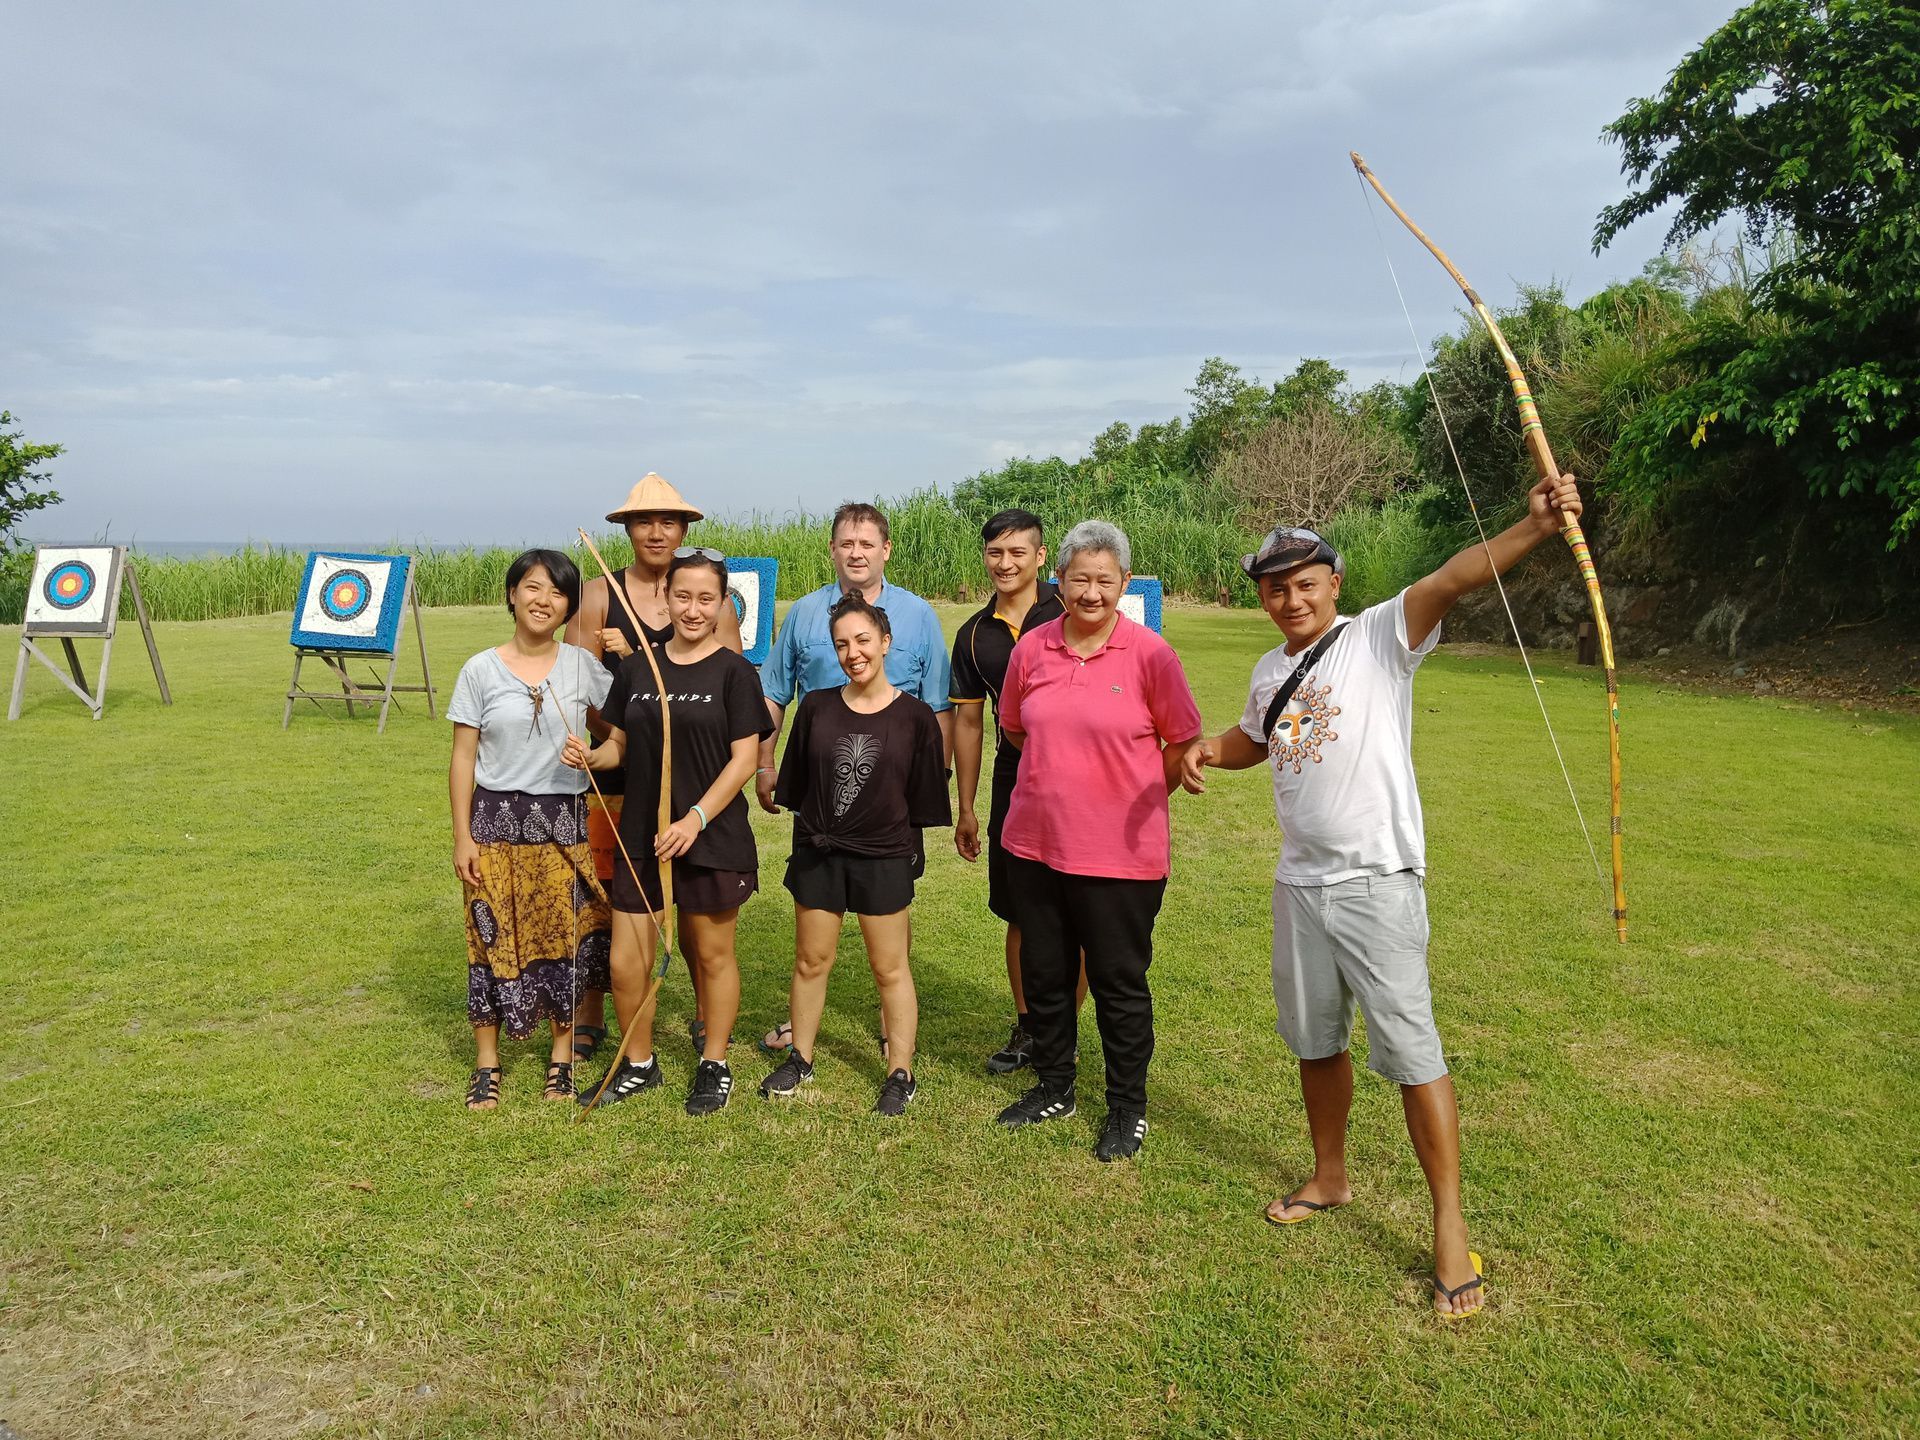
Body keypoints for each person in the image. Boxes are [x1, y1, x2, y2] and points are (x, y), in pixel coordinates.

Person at [1180, 472, 1585, 1320]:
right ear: (1261, 597)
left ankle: (1449, 1223)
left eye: (1304, 583)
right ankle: (1330, 1176)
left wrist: (1535, 525)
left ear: (1333, 581)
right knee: (1315, 1042)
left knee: (1412, 1053)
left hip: (1378, 881)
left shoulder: (1377, 636)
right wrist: (1205, 753)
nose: (1291, 599)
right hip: (1301, 884)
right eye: (1275, 588)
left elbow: (1453, 575)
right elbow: (1258, 739)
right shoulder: (1268, 669)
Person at [991, 521, 1202, 1161]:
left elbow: (1182, 741)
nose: (1090, 592)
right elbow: (1017, 730)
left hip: (1121, 857)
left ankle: (1126, 1107)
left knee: (1117, 982)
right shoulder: (1033, 649)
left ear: (1124, 585)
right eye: (1078, 578)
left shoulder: (1150, 655)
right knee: (1046, 975)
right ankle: (1055, 1085)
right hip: (1035, 845)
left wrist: (1122, 792)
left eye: (1103, 580)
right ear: (1058, 582)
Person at [564, 547, 772, 1116]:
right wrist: (591, 757)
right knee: (628, 961)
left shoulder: (733, 672)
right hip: (643, 837)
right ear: (666, 598)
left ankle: (714, 1063)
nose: (694, 609)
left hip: (710, 833)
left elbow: (743, 759)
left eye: (707, 598)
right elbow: (621, 747)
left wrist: (695, 819)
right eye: (683, 596)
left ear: (723, 602)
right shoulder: (636, 669)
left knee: (711, 955)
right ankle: (639, 1064)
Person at [754, 501, 952, 1057]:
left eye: (867, 543)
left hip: (889, 799)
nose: (857, 552)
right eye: (846, 543)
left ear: (885, 550)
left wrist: (930, 790)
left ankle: (894, 1026)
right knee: (815, 936)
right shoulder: (804, 615)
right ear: (833, 550)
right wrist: (766, 762)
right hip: (821, 800)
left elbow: (936, 705)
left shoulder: (917, 616)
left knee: (889, 916)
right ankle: (805, 1028)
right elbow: (775, 692)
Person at [448, 549, 612, 1111]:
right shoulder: (480, 669)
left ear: (569, 607)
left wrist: (595, 752)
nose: (545, 601)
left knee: (564, 937)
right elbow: (462, 758)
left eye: (558, 593)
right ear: (513, 594)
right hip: (493, 824)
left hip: (561, 822)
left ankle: (561, 1060)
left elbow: (626, 733)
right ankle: (487, 1063)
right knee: (489, 936)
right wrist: (462, 836)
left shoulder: (580, 667)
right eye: (534, 588)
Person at [948, 509, 1082, 1074]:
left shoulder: (1074, 608)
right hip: (1014, 779)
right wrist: (967, 808)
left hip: (1079, 781)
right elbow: (971, 724)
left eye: (1017, 553)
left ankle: (1064, 1031)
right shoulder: (974, 635)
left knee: (1075, 910)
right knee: (1020, 909)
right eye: (995, 554)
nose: (1005, 564)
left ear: (1041, 557)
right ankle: (1029, 1025)